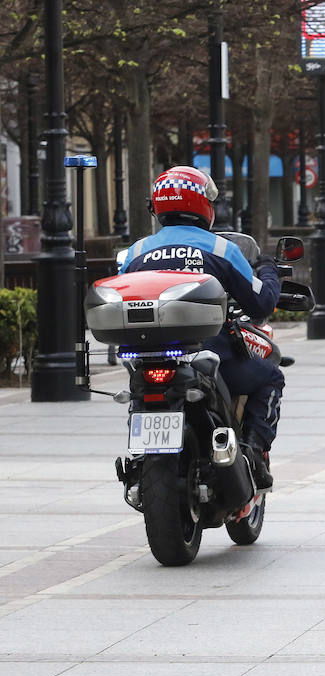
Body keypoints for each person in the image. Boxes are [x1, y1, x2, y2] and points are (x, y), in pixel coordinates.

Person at [120, 166, 283, 488]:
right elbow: (261, 304)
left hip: (148, 360)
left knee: (140, 396)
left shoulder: (136, 252)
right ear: (204, 205)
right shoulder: (222, 249)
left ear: (156, 207)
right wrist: (268, 270)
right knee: (270, 377)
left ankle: (139, 457)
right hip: (211, 359)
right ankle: (253, 452)